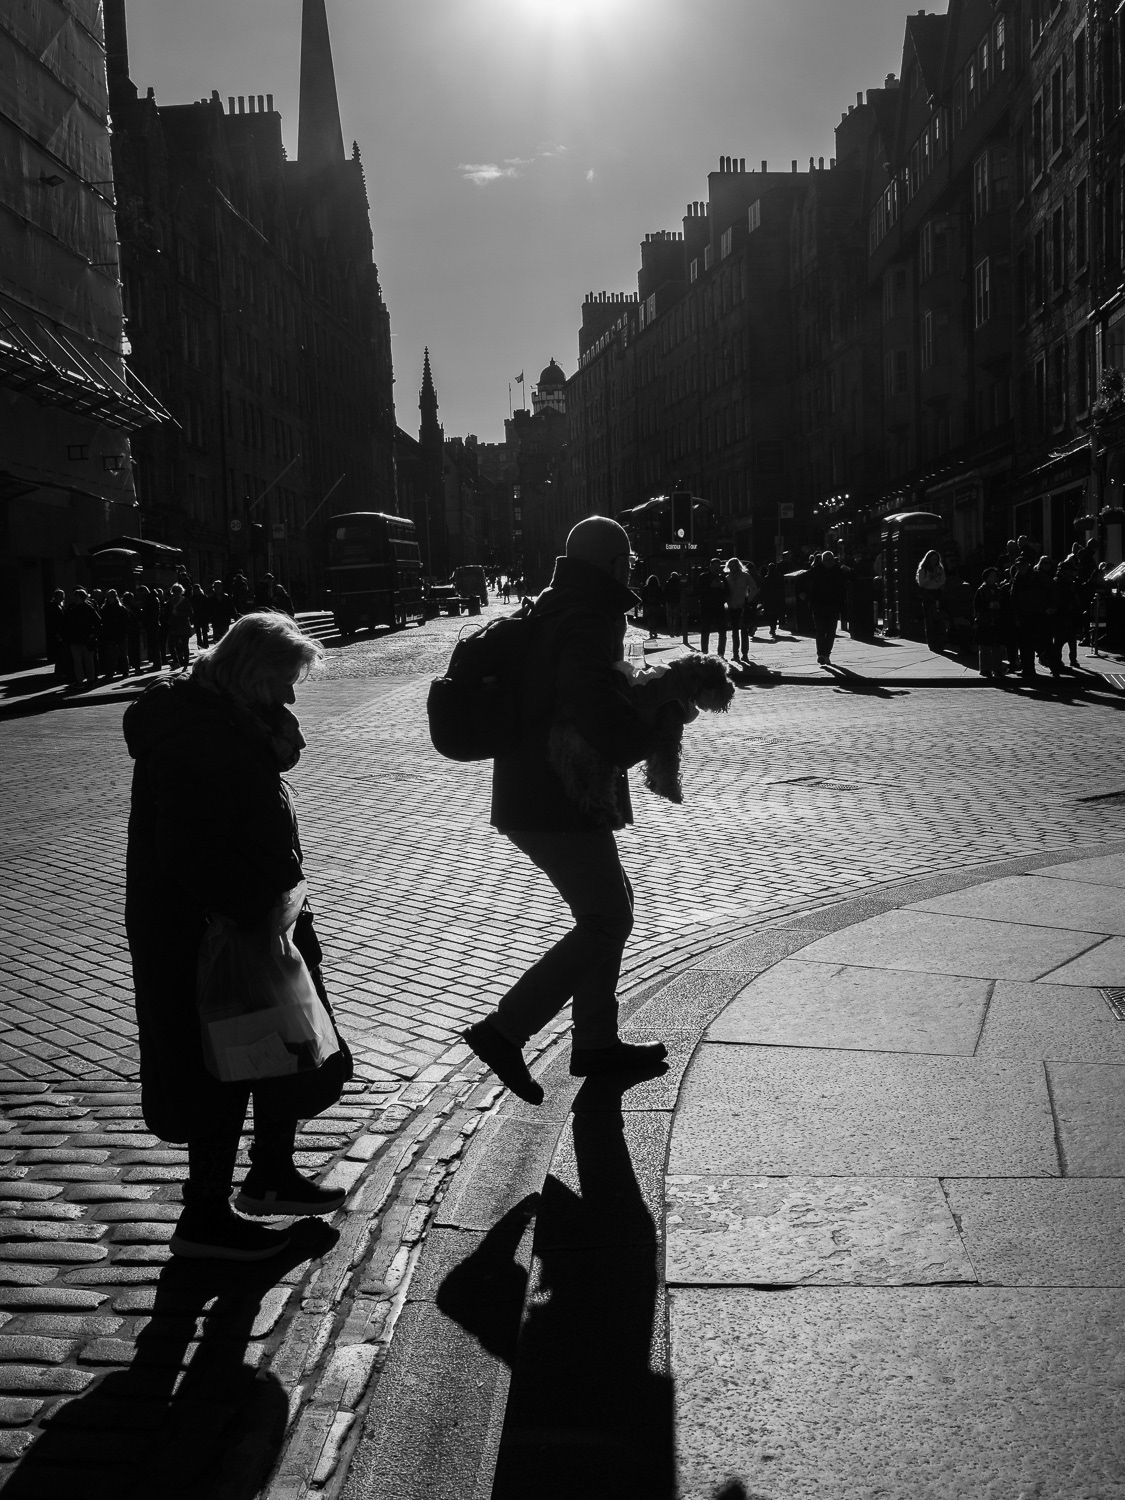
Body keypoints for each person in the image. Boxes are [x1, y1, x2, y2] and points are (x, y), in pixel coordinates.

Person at [122, 612, 350, 1260]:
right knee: (219, 1065)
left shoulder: (231, 723)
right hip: (210, 931)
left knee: (281, 1041)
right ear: (249, 673)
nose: (291, 696)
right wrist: (254, 908)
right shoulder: (197, 736)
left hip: (248, 920)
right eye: (283, 681)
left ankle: (271, 1175)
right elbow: (190, 852)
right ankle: (204, 1218)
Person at [462, 517, 671, 1104]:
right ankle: (505, 1030)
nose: (631, 569)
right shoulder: (585, 615)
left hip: (541, 790)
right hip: (557, 792)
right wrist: (647, 727)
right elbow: (590, 703)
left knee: (611, 908)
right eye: (626, 561)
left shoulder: (559, 603)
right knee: (607, 917)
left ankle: (597, 1041)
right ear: (610, 565)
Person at [805, 551, 846, 665]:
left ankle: (827, 654)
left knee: (831, 632)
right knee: (820, 631)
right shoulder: (816, 570)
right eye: (827, 560)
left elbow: (853, 577)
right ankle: (821, 654)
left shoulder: (838, 570)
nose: (829, 562)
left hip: (833, 606)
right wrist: (803, 593)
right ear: (822, 561)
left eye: (831, 559)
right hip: (818, 606)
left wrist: (849, 570)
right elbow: (803, 579)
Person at [1009, 555, 1045, 680]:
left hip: (1035, 614)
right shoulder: (1016, 579)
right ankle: (1027, 668)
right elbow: (1014, 600)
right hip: (1023, 615)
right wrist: (1016, 617)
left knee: (1035, 643)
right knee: (1024, 644)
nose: (1021, 568)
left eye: (1022, 565)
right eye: (1018, 566)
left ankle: (1033, 667)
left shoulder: (1035, 577)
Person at [61, 588, 100, 688]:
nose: (75, 599)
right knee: (80, 661)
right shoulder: (76, 609)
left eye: (76, 597)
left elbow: (98, 622)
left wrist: (93, 633)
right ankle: (83, 679)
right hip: (79, 638)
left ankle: (87, 679)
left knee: (85, 661)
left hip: (83, 639)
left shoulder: (85, 609)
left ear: (82, 598)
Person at [974, 568, 1005, 679]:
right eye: (991, 576)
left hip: (997, 620)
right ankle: (985, 669)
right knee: (985, 646)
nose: (993, 578)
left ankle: (997, 668)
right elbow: (977, 606)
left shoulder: (998, 590)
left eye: (995, 576)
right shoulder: (981, 590)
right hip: (985, 621)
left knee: (997, 646)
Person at [915, 549, 947, 652]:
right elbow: (921, 583)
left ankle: (940, 643)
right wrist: (929, 578)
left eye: (936, 560)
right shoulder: (923, 570)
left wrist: (941, 586)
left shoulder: (940, 568)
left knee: (940, 620)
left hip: (938, 594)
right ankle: (932, 643)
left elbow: (943, 580)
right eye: (932, 560)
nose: (934, 562)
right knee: (930, 620)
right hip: (928, 595)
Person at [99, 589, 134, 679]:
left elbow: (126, 622)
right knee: (112, 654)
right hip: (112, 634)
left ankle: (124, 671)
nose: (110, 599)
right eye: (109, 597)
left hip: (118, 634)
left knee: (122, 654)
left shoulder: (117, 608)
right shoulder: (110, 608)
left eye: (112, 597)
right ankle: (113, 671)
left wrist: (125, 631)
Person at [698, 557, 729, 655]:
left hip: (719, 606)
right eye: (714, 566)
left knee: (722, 631)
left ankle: (721, 653)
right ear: (710, 566)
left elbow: (727, 592)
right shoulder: (703, 576)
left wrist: (723, 588)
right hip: (707, 607)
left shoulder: (722, 578)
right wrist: (710, 586)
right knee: (705, 630)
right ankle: (704, 651)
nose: (716, 568)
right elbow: (698, 590)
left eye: (718, 566)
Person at [724, 558, 753, 662]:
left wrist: (747, 600)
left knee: (744, 631)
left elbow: (754, 589)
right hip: (732, 607)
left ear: (738, 566)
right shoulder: (727, 578)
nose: (732, 568)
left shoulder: (746, 576)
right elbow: (726, 593)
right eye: (730, 566)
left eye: (733, 565)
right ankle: (735, 654)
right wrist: (728, 602)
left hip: (742, 607)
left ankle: (745, 654)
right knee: (734, 631)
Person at [166, 584, 194, 671]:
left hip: (183, 626)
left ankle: (185, 664)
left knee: (185, 645)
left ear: (181, 591)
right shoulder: (170, 602)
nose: (176, 593)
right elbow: (167, 613)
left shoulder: (185, 601)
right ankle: (176, 662)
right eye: (174, 591)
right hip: (174, 626)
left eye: (178, 591)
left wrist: (180, 614)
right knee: (171, 645)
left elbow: (190, 613)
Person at [45, 589, 69, 681]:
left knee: (60, 654)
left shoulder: (59, 606)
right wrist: (56, 633)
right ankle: (60, 672)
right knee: (60, 653)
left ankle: (60, 671)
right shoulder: (53, 606)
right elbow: (52, 622)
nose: (63, 597)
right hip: (57, 633)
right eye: (61, 596)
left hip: (59, 632)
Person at [760, 563, 784, 640]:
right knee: (776, 613)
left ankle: (772, 627)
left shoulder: (766, 578)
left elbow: (763, 589)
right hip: (777, 598)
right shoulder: (779, 577)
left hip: (769, 599)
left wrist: (763, 598)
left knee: (770, 614)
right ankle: (773, 627)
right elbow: (782, 588)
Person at [641, 574, 665, 639]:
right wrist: (663, 604)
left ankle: (651, 631)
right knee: (655, 618)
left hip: (648, 605)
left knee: (649, 618)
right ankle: (654, 630)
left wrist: (641, 605)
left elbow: (643, 597)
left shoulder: (646, 587)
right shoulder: (658, 587)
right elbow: (661, 596)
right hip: (656, 605)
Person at [192, 585, 211, 650]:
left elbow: (207, 608)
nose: (196, 591)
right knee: (199, 634)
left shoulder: (204, 597)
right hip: (197, 617)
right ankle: (200, 645)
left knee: (204, 633)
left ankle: (205, 645)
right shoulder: (193, 598)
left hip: (203, 617)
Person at [664, 571, 683, 638]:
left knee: (669, 616)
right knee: (676, 616)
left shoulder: (668, 583)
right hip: (676, 601)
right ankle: (676, 629)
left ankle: (670, 630)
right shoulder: (679, 583)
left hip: (669, 601)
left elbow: (665, 593)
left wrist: (665, 600)